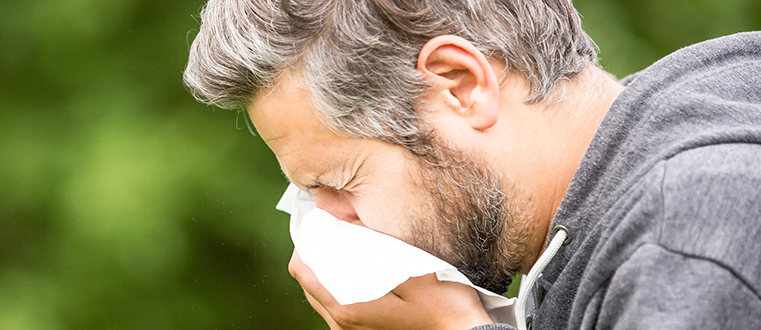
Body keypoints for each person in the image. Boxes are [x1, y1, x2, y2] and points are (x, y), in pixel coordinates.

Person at [182, 0, 761, 329]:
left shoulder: (687, 241)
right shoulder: (668, 151)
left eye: (337, 182)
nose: (331, 225)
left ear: (460, 86)